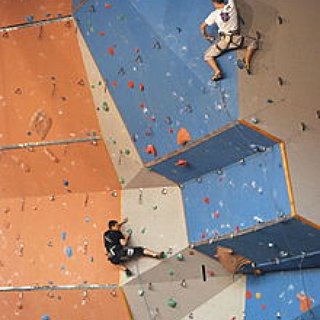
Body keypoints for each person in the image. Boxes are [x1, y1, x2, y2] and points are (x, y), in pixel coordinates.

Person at [200, 0, 259, 81]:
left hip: (224, 43)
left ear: (214, 3)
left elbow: (202, 27)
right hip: (237, 40)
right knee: (253, 42)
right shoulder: (232, 5)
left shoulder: (214, 15)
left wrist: (206, 36)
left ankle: (217, 72)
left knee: (207, 56)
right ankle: (246, 60)